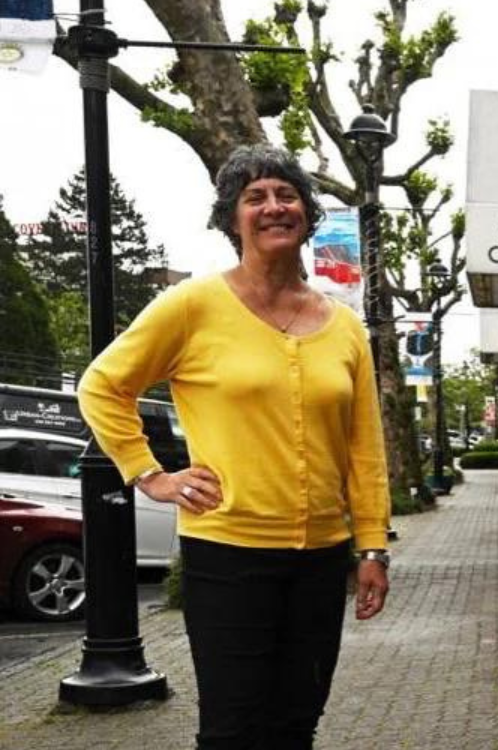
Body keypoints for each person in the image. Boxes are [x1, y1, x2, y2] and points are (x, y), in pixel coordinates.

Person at [78, 143, 391, 750]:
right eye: (255, 198)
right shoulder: (194, 305)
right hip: (229, 554)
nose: (274, 207)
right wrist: (151, 474)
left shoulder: (344, 325)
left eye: (286, 194)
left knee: (297, 721)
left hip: (322, 559)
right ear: (232, 219)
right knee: (233, 729)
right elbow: (103, 386)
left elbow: (365, 446)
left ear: (306, 213)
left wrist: (373, 545)